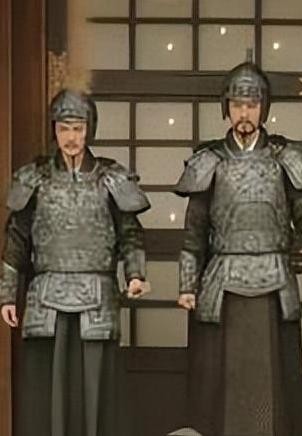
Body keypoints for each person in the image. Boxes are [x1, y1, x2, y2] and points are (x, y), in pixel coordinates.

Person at [173, 61, 302, 436]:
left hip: (273, 281)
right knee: (221, 385)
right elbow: (194, 234)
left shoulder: (286, 159)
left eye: (251, 105)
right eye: (238, 105)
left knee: (274, 384)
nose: (244, 113)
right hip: (223, 284)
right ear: (227, 108)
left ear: (263, 108)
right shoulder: (209, 161)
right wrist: (187, 285)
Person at [0, 89, 149, 436]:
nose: (71, 137)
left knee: (96, 389)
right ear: (54, 130)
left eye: (78, 128)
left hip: (97, 296)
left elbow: (130, 233)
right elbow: (16, 240)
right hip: (46, 299)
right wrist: (7, 296)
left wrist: (135, 273)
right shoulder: (34, 179)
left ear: (89, 129)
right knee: (47, 390)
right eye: (64, 128)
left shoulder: (112, 179)